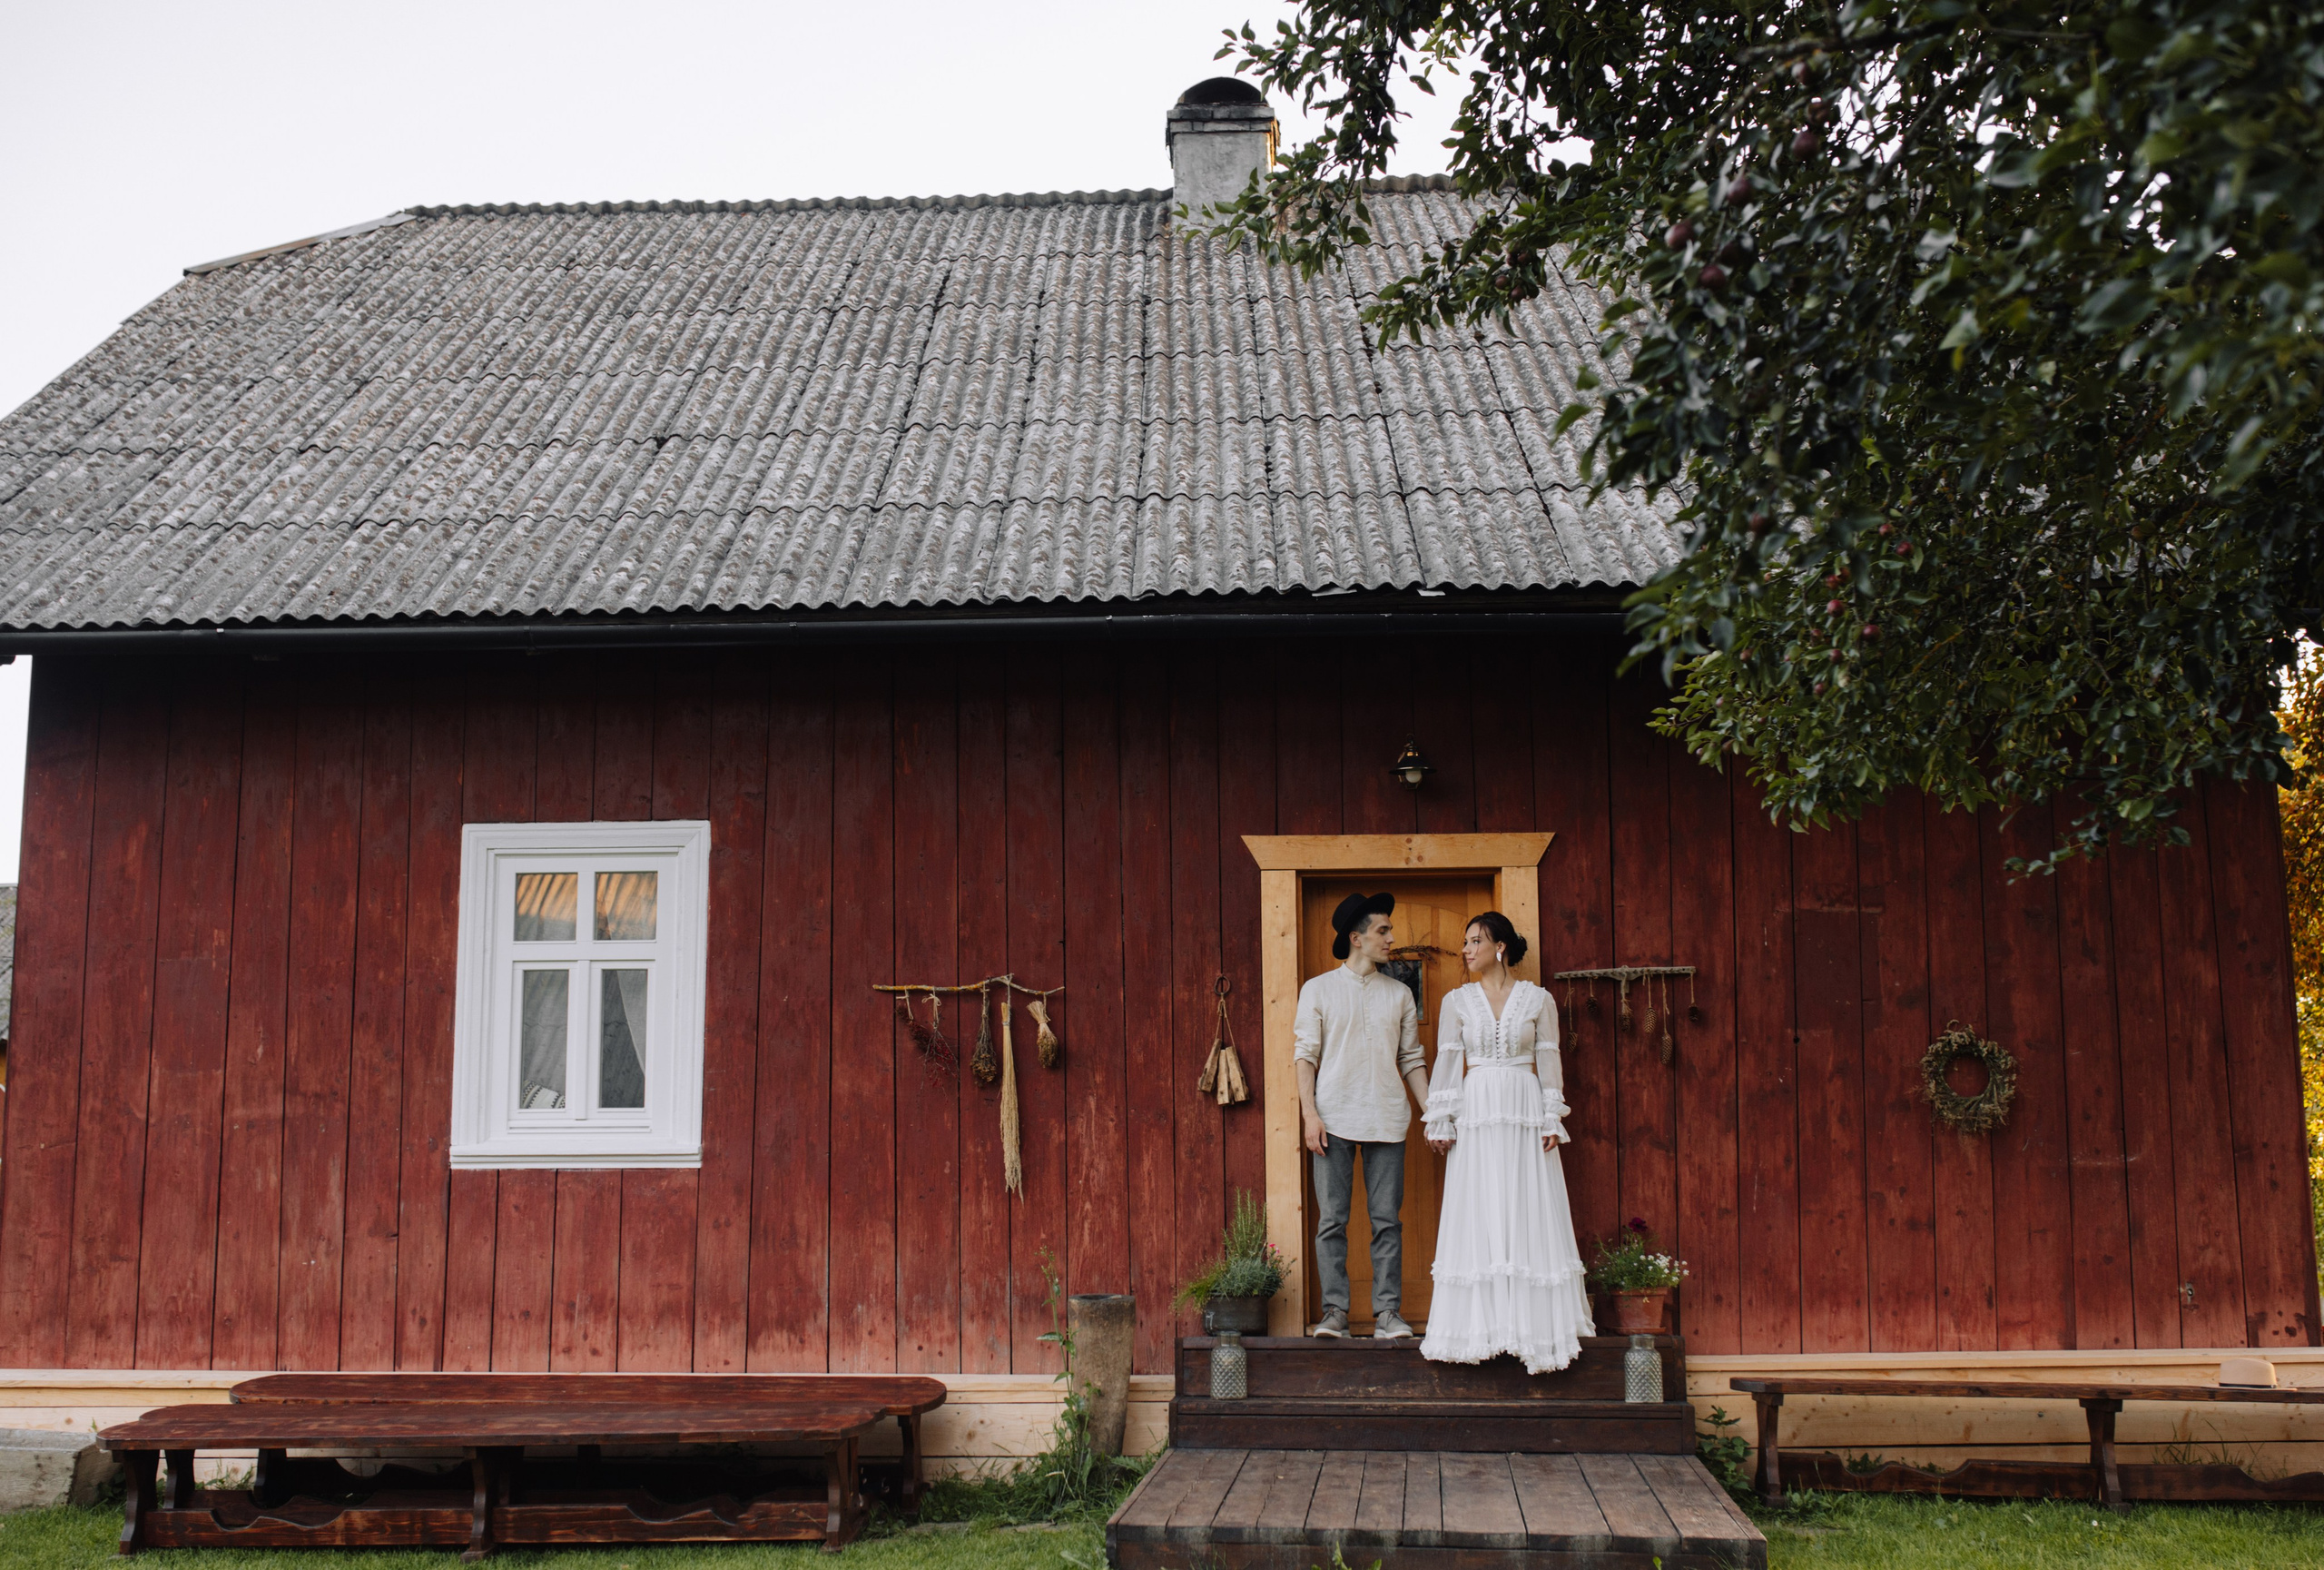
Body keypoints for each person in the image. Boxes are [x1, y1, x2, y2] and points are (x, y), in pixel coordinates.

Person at [1419, 911, 1595, 1373]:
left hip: (1523, 1108)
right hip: (1477, 1112)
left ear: (1500, 946)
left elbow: (1549, 1059)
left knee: (1525, 1206)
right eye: (1464, 942)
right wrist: (1441, 1119)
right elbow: (1448, 1063)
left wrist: (1552, 1117)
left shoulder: (1538, 1001)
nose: (1466, 950)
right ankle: (1479, 1329)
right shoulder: (1457, 1002)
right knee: (1480, 1207)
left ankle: (1529, 1327)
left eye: (1475, 941)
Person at [1294, 891, 1427, 1339]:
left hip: (1388, 1120)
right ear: (1357, 938)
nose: (1391, 938)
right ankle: (1335, 1312)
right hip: (1331, 1122)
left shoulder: (1400, 994)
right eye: (1382, 930)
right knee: (1332, 1221)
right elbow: (1305, 1056)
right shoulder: (1318, 989)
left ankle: (1387, 1314)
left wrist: (1432, 1114)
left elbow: (1411, 1059)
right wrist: (1310, 1114)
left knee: (1387, 1220)